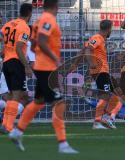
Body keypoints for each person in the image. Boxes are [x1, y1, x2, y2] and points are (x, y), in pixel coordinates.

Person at [9, 0, 78, 154]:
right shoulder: (48, 19)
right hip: (47, 68)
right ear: (56, 6)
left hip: (41, 66)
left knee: (39, 101)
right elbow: (41, 41)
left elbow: (33, 43)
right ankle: (63, 144)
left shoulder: (39, 20)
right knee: (59, 104)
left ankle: (17, 131)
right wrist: (54, 57)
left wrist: (40, 53)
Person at [83, 20, 122, 129]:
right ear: (109, 29)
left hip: (104, 71)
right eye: (111, 29)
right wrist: (92, 64)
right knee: (104, 95)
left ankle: (106, 116)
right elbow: (88, 49)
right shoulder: (97, 38)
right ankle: (97, 122)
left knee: (118, 92)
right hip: (100, 71)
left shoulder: (100, 39)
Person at [0, 3, 33, 134]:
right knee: (16, 95)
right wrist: (27, 66)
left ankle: (5, 124)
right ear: (29, 13)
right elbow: (19, 47)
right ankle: (7, 126)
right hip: (16, 62)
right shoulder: (24, 27)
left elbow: (1, 38)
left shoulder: (8, 24)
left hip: (6, 62)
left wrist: (4, 50)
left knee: (12, 94)